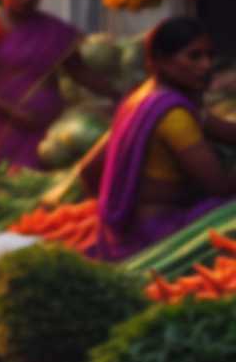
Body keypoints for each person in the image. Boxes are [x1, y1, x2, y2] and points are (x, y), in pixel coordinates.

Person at [73, 18, 236, 259]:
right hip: (160, 235)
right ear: (161, 60)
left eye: (209, 56)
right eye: (194, 57)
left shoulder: (141, 99)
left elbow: (88, 171)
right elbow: (219, 185)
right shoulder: (173, 115)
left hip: (124, 235)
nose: (206, 65)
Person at [0, 0, 121, 169]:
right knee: (9, 181)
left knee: (40, 181)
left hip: (45, 124)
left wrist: (119, 94)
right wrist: (14, 112)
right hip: (3, 123)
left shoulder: (51, 29)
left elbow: (79, 72)